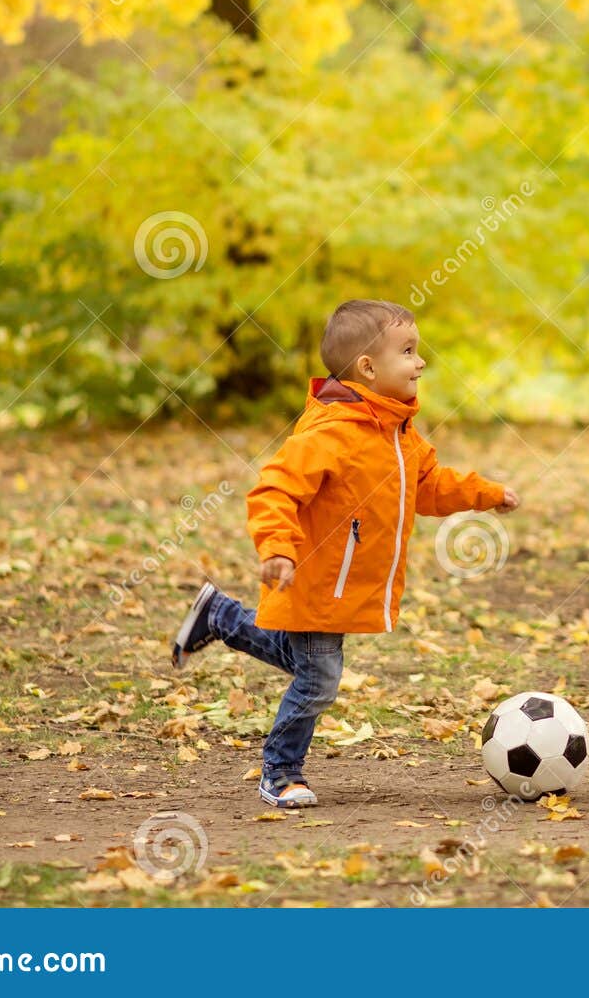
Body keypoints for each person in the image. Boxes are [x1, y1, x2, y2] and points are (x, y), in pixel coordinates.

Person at [169, 299, 519, 808]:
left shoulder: (398, 432)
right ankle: (280, 771)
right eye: (409, 351)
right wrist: (278, 549)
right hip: (312, 575)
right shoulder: (332, 432)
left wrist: (483, 493)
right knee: (318, 679)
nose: (421, 362)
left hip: (341, 582)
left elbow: (428, 486)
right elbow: (274, 490)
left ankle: (218, 615)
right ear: (369, 368)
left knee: (303, 661)